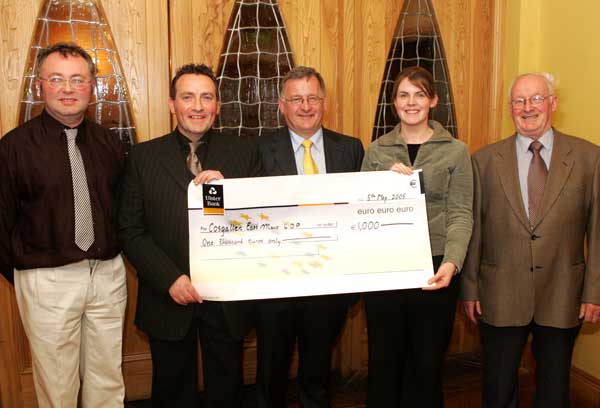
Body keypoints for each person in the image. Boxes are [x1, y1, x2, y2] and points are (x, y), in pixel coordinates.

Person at [118, 63, 263, 407]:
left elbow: (260, 223)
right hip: (167, 297)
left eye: (206, 97)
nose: (197, 106)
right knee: (171, 392)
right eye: (188, 97)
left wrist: (231, 196)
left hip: (226, 299)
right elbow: (130, 229)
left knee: (227, 390)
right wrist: (170, 279)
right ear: (172, 104)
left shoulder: (244, 153)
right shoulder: (142, 157)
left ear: (217, 105)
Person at [461, 72, 600, 408]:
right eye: (519, 101)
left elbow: (597, 231)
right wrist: (470, 289)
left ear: (552, 103)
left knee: (554, 387)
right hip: (500, 292)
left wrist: (593, 291)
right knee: (497, 385)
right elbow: (473, 229)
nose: (527, 107)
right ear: (510, 109)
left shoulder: (589, 158)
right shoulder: (483, 161)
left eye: (536, 98)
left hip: (563, 291)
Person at [0, 42, 126, 407]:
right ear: (40, 85)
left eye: (77, 80)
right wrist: (28, 274)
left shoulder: (109, 143)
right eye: (57, 79)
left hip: (107, 275)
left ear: (92, 87)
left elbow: (121, 210)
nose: (68, 89)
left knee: (108, 381)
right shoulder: (14, 148)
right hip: (46, 280)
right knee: (58, 388)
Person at [361, 65, 473, 407]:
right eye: (403, 95)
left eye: (419, 95)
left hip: (435, 270)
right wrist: (384, 183)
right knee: (384, 362)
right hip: (386, 270)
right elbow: (361, 212)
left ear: (433, 101)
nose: (411, 103)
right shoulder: (376, 151)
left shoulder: (456, 151)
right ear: (394, 103)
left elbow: (460, 213)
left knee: (426, 364)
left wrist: (452, 263)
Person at [255, 66, 364, 408]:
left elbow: (362, 211)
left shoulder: (350, 149)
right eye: (296, 99)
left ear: (324, 102)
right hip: (275, 286)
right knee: (270, 376)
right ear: (281, 105)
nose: (305, 106)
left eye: (312, 98)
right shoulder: (257, 150)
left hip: (328, 286)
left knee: (317, 376)